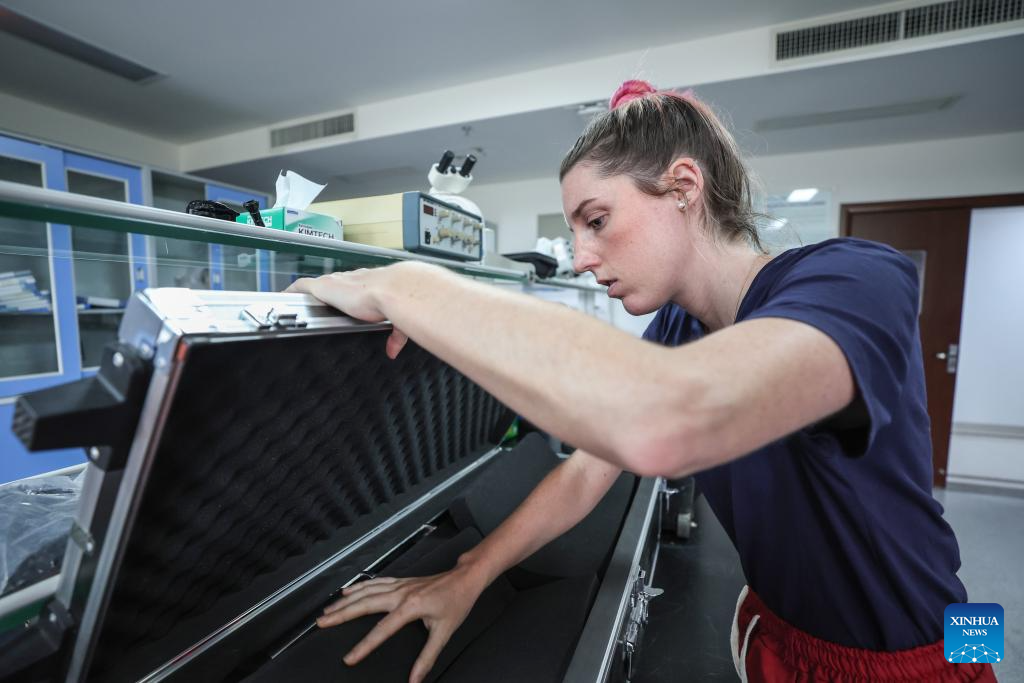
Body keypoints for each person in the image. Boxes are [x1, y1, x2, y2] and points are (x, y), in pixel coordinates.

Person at [286, 80, 994, 683]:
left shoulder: (858, 277)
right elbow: (588, 469)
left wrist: (412, 286)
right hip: (774, 624)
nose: (583, 257)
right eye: (574, 232)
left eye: (597, 221)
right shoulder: (681, 329)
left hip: (927, 647)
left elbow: (665, 416)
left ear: (684, 187)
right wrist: (467, 574)